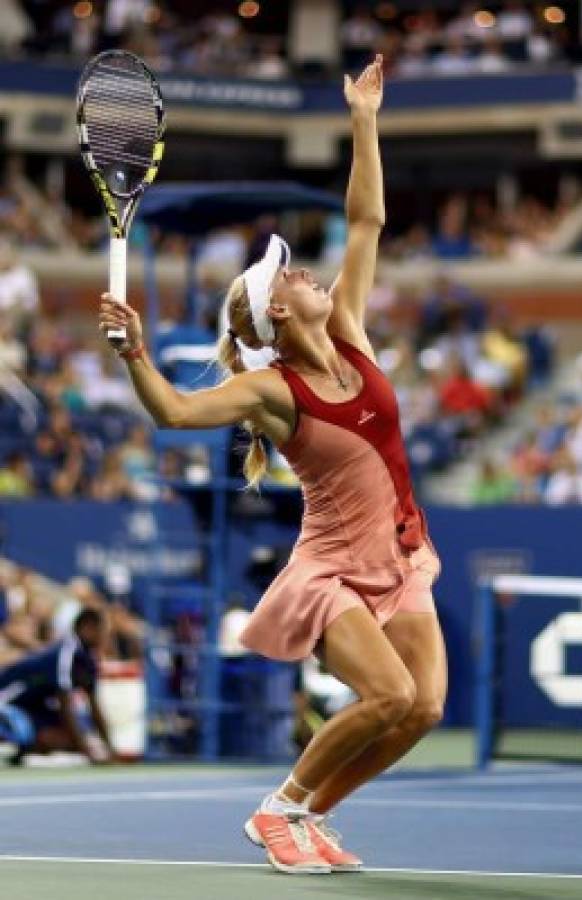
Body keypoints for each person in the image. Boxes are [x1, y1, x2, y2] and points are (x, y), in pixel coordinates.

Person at [98, 55, 446, 875]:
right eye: (286, 273)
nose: (304, 269)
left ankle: (311, 815)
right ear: (277, 312)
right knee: (387, 695)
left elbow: (365, 223)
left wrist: (363, 119)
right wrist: (136, 355)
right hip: (329, 569)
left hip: (399, 557)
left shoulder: (351, 333)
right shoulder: (270, 389)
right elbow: (177, 413)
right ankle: (277, 809)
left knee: (423, 707)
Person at [0, 607, 116, 764]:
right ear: (87, 628)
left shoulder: (88, 659)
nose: (106, 638)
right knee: (58, 737)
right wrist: (87, 753)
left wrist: (111, 749)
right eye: (103, 632)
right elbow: (65, 705)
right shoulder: (65, 653)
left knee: (72, 734)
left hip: (33, 707)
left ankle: (24, 747)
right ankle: (17, 745)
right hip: (8, 704)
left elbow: (94, 706)